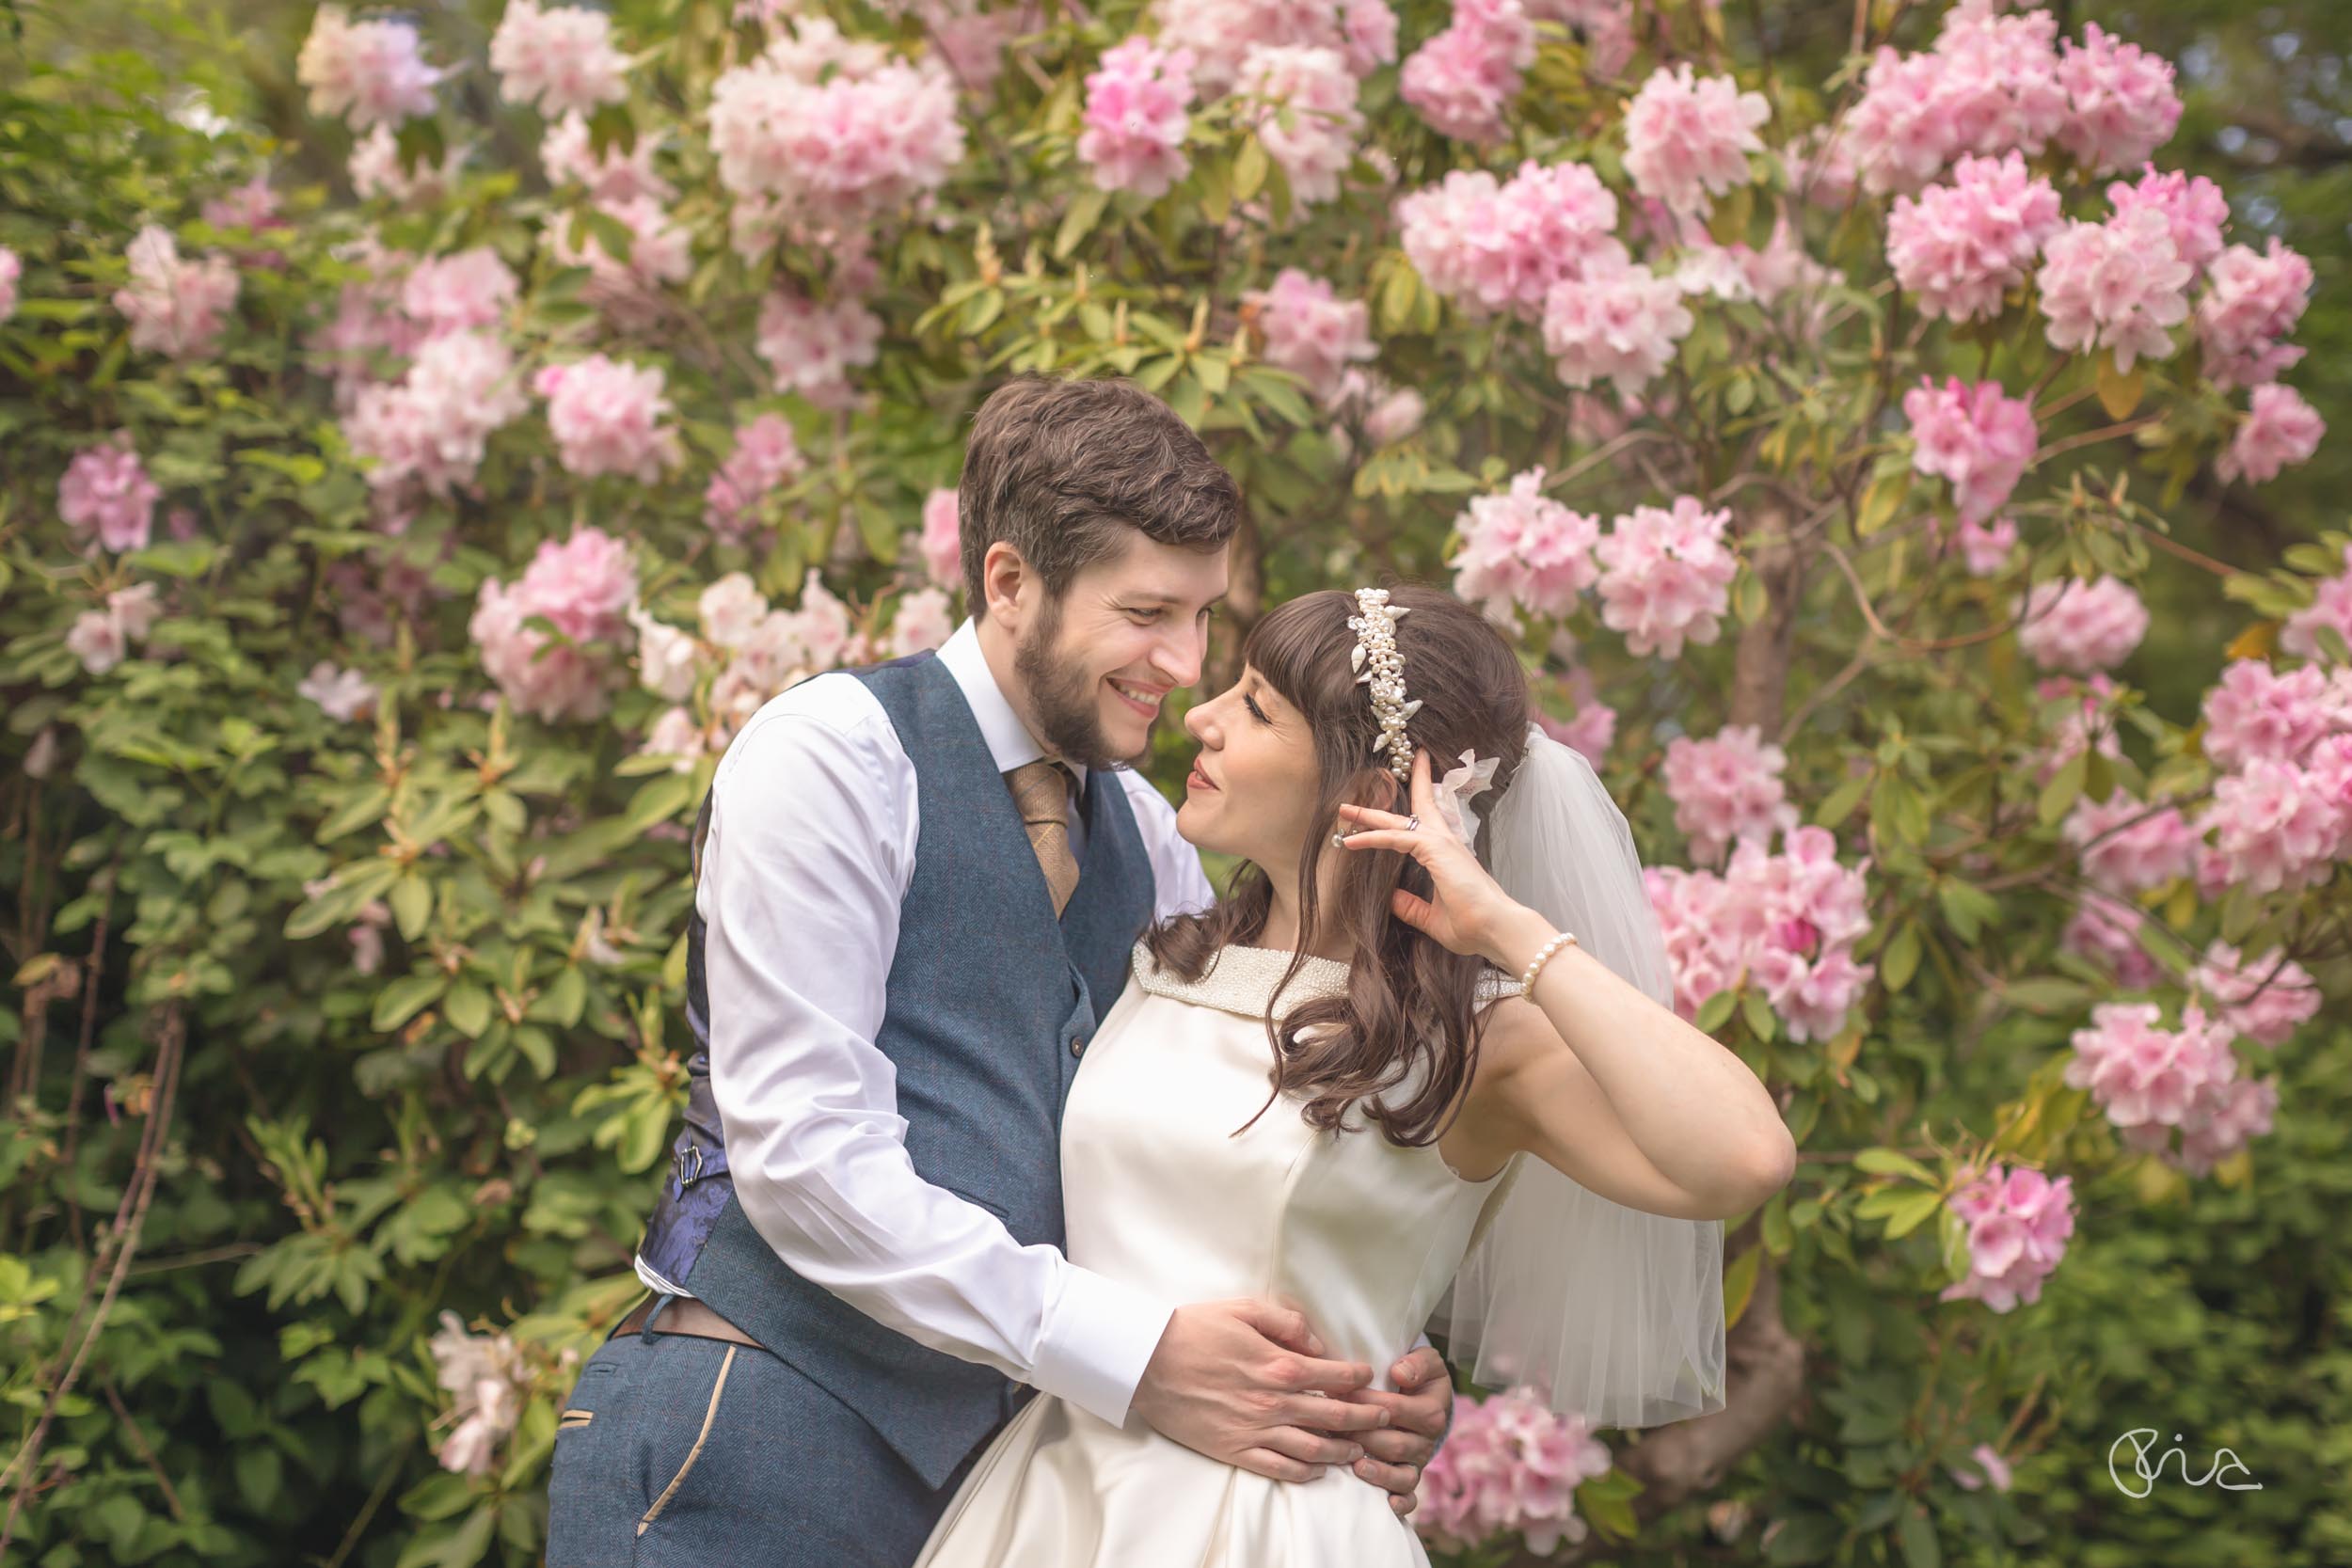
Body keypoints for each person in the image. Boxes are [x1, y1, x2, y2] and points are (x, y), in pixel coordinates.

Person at [543, 375, 1454, 1568]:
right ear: (1011, 580)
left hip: (1008, 1500)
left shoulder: (1157, 832)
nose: (1182, 663)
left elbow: (1206, 1162)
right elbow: (806, 1155)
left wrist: (1357, 1365)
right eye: (1145, 613)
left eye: (1200, 617)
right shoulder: (832, 757)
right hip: (753, 1430)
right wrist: (1132, 1354)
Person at [909, 582, 1798, 1566]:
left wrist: (1512, 929)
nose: (1198, 714)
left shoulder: (1473, 1041)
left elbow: (1745, 1155)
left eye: (1253, 706)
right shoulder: (1170, 954)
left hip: (1271, 1525)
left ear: (1369, 795)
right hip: (1061, 1498)